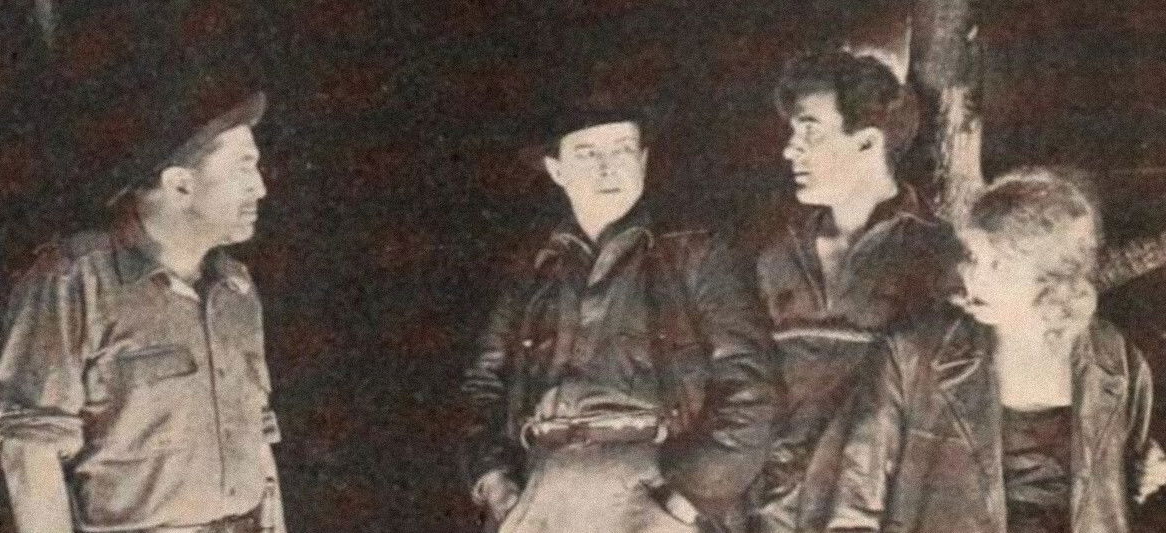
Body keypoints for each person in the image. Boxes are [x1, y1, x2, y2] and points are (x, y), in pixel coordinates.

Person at [460, 110, 776, 533]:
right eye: (587, 154)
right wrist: (494, 480)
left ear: (642, 161)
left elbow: (751, 383)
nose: (607, 168)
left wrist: (691, 500)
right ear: (556, 170)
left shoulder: (695, 255)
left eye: (622, 149)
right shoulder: (535, 269)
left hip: (654, 491)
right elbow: (483, 383)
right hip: (542, 489)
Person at [0, 86, 286, 532]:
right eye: (243, 168)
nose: (259, 188)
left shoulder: (235, 289)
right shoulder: (74, 282)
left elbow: (259, 440)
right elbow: (32, 446)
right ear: (180, 185)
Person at [828, 168, 1153, 533]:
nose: (973, 277)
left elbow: (1131, 489)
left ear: (1052, 276)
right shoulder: (909, 356)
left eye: (999, 264)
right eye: (972, 257)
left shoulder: (1115, 360)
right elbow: (852, 509)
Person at [749, 50, 961, 532]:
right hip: (766, 509)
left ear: (867, 142)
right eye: (792, 133)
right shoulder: (773, 252)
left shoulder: (939, 256)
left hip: (874, 509)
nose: (790, 150)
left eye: (810, 132)